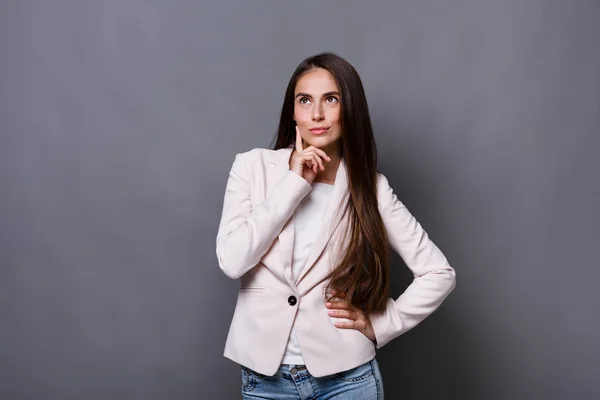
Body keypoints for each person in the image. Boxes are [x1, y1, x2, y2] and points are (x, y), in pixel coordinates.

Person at [216, 52, 456, 399]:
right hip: (266, 381)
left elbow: (438, 273)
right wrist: (293, 184)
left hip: (347, 380)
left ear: (350, 110)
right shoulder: (251, 168)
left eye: (331, 99)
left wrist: (380, 324)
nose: (316, 114)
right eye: (304, 100)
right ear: (293, 112)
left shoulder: (370, 188)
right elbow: (233, 260)